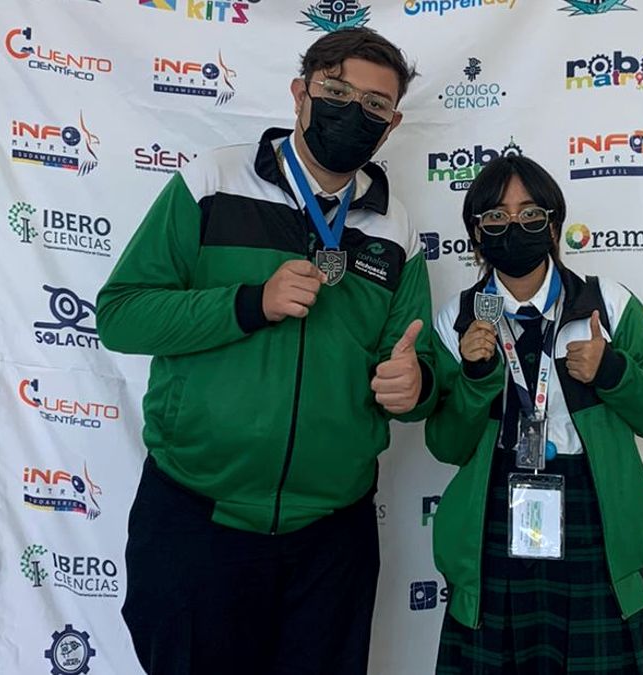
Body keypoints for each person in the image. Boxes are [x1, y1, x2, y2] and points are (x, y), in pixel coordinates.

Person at [96, 28, 435, 675]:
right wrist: (249, 303)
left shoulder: (396, 227)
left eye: (375, 104)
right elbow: (121, 315)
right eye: (337, 91)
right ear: (300, 93)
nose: (353, 111)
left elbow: (417, 367)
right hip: (198, 521)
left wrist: (415, 385)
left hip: (332, 538)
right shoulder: (212, 181)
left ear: (391, 126)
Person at [425, 155, 643, 674]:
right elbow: (446, 446)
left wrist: (612, 371)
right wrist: (477, 377)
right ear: (476, 234)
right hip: (494, 518)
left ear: (553, 225)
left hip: (596, 517)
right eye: (495, 216)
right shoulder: (456, 318)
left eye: (529, 213)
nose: (513, 226)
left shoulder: (608, 305)